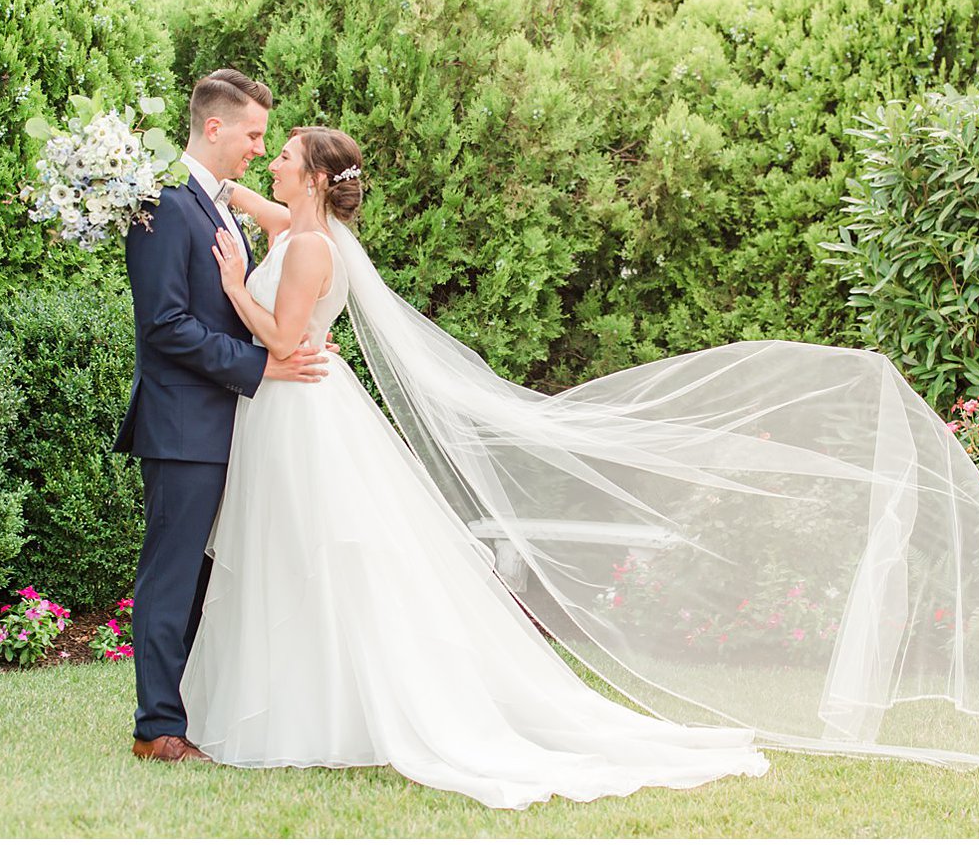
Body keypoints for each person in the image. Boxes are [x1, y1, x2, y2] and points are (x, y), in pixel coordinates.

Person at [177, 127, 772, 808]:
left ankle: (318, 710)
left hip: (299, 412)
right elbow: (273, 214)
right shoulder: (301, 233)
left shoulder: (311, 249)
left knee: (306, 554)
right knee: (297, 555)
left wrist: (231, 282)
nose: (272, 162)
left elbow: (282, 339)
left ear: (313, 179)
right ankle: (307, 700)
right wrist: (220, 184)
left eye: (283, 155)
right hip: (291, 410)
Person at [114, 70, 331, 764]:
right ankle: (158, 728)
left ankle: (191, 709)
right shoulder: (162, 205)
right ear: (214, 128)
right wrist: (262, 366)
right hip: (181, 429)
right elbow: (165, 327)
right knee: (171, 577)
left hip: (224, 425)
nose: (257, 149)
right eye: (253, 134)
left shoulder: (213, 205)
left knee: (207, 582)